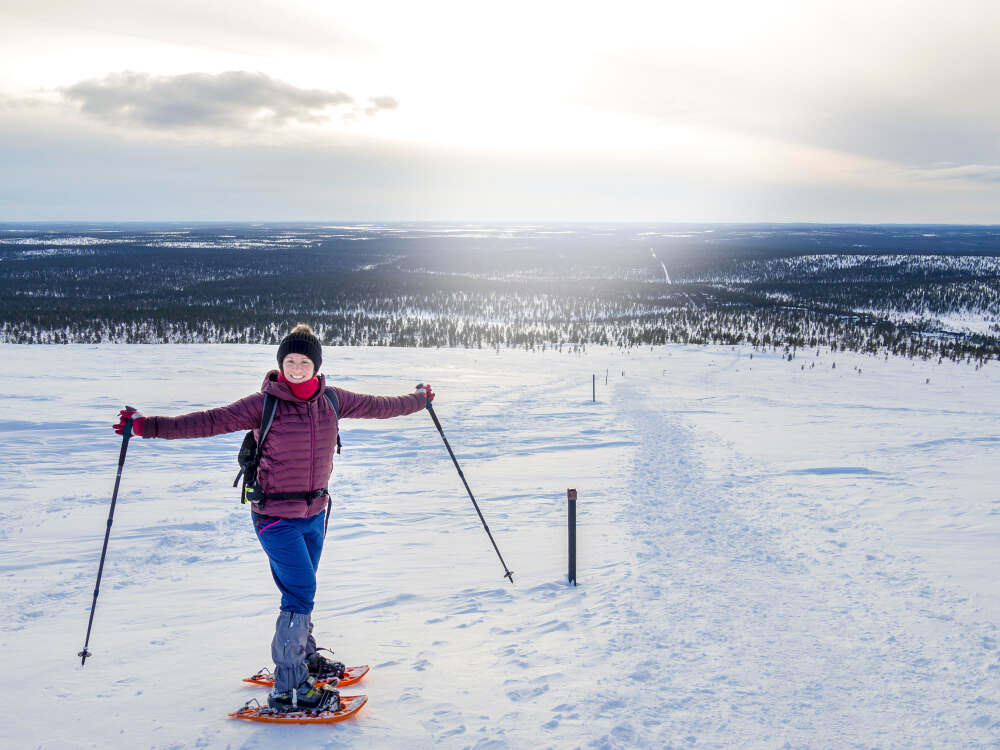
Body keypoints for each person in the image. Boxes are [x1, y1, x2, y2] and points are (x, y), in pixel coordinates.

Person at [113, 323, 432, 712]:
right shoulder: (263, 404)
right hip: (275, 516)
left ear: (316, 366)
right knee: (300, 593)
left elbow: (381, 406)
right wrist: (148, 427)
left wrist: (419, 400)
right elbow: (208, 421)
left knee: (304, 588)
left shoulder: (332, 399)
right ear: (280, 364)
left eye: (304, 362)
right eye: (290, 361)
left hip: (315, 513)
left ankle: (306, 658)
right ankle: (290, 687)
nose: (297, 368)